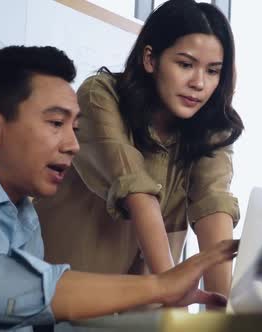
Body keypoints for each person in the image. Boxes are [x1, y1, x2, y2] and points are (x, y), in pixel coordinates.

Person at [0, 45, 238, 331]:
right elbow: (6, 289)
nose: (73, 145)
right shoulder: (102, 96)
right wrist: (161, 285)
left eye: (75, 128)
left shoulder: (24, 218)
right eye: (56, 123)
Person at [34, 0, 243, 297]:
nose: (199, 83)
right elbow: (136, 192)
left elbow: (214, 206)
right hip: (62, 301)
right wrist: (170, 289)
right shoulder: (100, 95)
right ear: (150, 59)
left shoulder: (211, 128)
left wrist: (224, 314)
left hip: (140, 313)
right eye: (185, 65)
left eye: (212, 71)